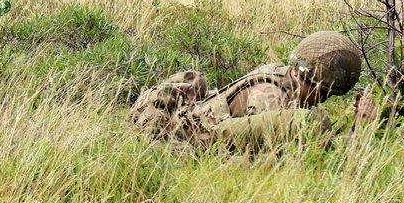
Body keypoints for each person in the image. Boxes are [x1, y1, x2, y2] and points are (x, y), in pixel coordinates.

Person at [128, 31, 363, 151]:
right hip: (186, 136)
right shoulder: (270, 99)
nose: (323, 101)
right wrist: (357, 132)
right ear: (318, 88)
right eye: (325, 95)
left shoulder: (282, 73)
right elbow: (313, 155)